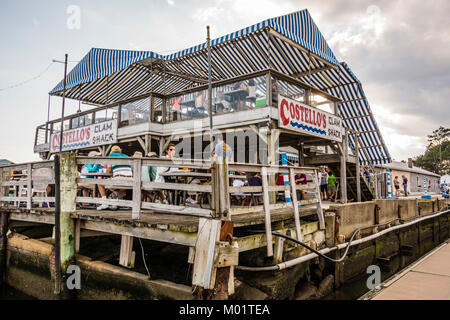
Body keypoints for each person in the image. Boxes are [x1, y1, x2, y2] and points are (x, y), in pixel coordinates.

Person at [97, 145, 132, 210]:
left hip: (119, 179)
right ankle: (116, 204)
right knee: (121, 188)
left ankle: (104, 203)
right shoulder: (126, 156)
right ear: (120, 151)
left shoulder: (111, 156)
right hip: (131, 180)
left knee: (100, 184)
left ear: (111, 151)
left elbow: (108, 171)